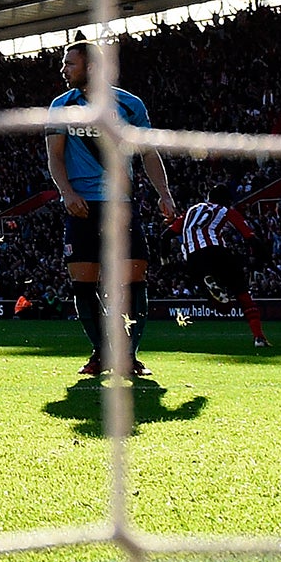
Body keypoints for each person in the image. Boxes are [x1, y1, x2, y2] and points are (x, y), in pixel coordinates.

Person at [45, 38, 176, 379]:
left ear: (90, 67)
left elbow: (148, 153)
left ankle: (129, 356)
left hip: (122, 204)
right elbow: (55, 157)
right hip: (82, 206)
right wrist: (67, 193)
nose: (63, 69)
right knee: (84, 283)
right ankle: (102, 352)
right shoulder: (61, 105)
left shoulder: (130, 105)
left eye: (68, 63)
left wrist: (164, 193)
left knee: (134, 279)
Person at [172, 184, 268, 348]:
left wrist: (165, 261)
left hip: (193, 258)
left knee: (223, 307)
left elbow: (165, 235)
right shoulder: (225, 210)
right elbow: (250, 236)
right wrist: (261, 258)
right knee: (244, 296)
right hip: (217, 252)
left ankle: (212, 286)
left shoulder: (190, 211)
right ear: (226, 200)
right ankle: (259, 338)